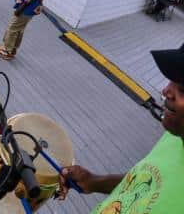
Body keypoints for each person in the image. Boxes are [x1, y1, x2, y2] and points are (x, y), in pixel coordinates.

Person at [57, 43, 184, 213]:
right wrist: (93, 181)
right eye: (171, 81)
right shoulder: (175, 136)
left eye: (182, 89)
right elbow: (144, 182)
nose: (166, 91)